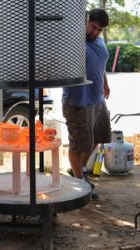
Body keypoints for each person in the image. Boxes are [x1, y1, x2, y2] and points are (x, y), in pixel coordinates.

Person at [62, 8, 111, 200]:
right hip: (78, 101)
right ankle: (80, 183)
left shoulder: (97, 41)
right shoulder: (73, 42)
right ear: (85, 21)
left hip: (97, 99)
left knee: (98, 136)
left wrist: (105, 83)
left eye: (99, 30)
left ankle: (79, 170)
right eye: (93, 27)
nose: (95, 32)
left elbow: (100, 65)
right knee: (78, 143)